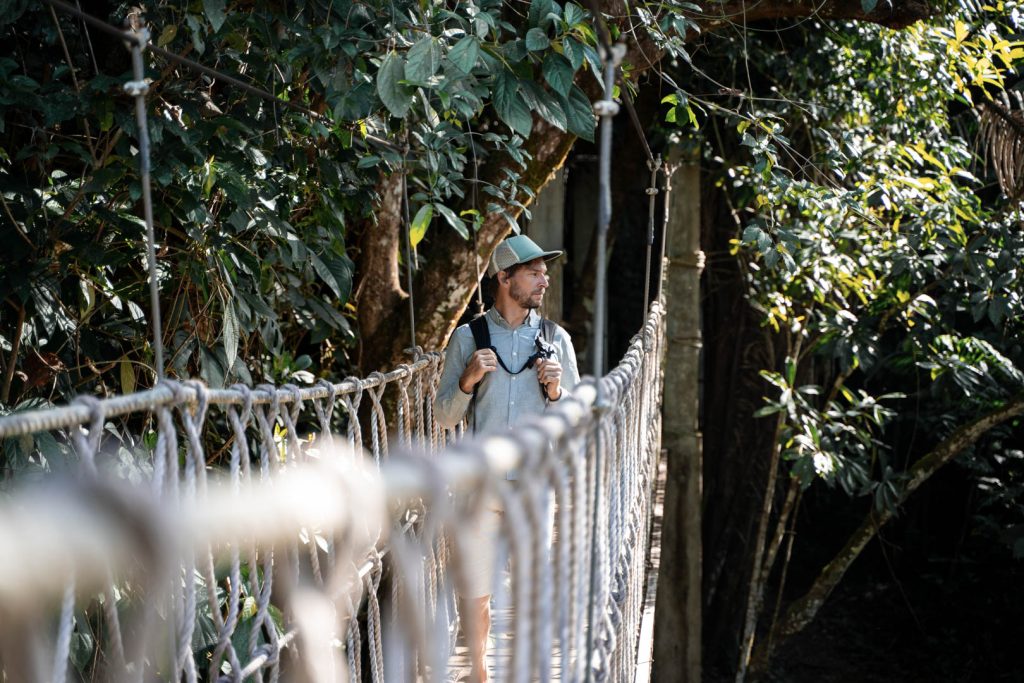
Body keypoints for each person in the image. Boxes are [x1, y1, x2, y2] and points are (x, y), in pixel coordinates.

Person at [434, 234, 581, 682]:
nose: (544, 280)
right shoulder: (468, 337)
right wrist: (467, 379)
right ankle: (479, 674)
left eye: (544, 273)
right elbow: (443, 417)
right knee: (477, 592)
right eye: (534, 273)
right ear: (504, 277)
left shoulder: (557, 339)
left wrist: (556, 391)